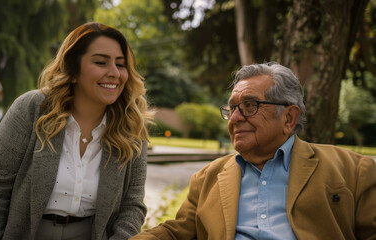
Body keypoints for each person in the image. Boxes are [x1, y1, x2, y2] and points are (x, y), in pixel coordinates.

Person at [131, 62, 376, 239]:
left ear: (289, 118)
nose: (235, 117)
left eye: (250, 105)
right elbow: (176, 233)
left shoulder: (353, 171)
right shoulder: (208, 178)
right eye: (232, 108)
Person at [0, 22, 152, 240]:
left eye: (120, 65)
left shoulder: (131, 126)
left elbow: (133, 205)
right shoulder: (32, 109)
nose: (114, 73)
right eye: (101, 62)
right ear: (73, 71)